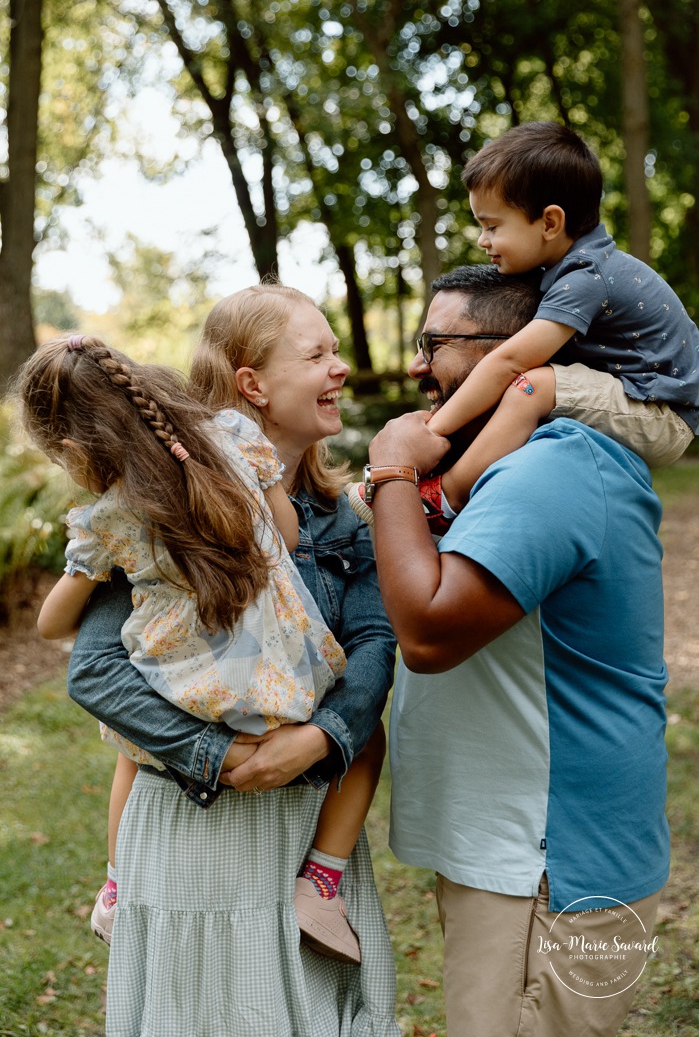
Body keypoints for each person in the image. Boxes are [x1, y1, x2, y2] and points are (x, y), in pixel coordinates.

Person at [61, 285, 400, 1035]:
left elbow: (377, 644)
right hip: (194, 821)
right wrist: (219, 752)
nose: (340, 368)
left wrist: (321, 738)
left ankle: (319, 886)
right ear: (252, 384)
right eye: (317, 354)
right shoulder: (163, 510)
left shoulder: (340, 518)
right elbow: (94, 669)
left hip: (309, 821)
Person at [367, 265, 669, 1037]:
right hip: (509, 860)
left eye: (434, 343)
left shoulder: (554, 469)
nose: (416, 364)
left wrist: (393, 470)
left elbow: (428, 633)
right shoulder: (504, 468)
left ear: (518, 353)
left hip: (549, 871)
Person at [357, 122, 698, 534]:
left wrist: (432, 429)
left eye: (492, 226)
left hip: (663, 415)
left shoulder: (584, 276)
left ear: (550, 223)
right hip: (644, 401)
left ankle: (445, 497)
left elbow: (510, 359)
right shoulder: (570, 269)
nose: (483, 240)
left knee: (531, 387)